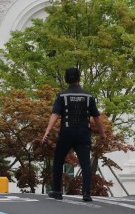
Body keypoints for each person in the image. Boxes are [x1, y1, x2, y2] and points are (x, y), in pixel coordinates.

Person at [41, 67, 105, 202]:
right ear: (79, 78)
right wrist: (102, 134)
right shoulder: (88, 96)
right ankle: (86, 193)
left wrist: (47, 131)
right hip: (83, 133)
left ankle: (57, 191)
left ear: (66, 79)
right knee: (85, 163)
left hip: (66, 132)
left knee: (58, 160)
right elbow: (97, 117)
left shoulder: (62, 96)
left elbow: (55, 114)